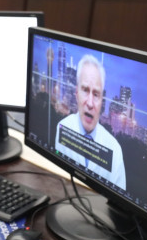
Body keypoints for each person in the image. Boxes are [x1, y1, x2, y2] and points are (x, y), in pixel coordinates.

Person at [54, 55, 126, 191]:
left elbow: (120, 203)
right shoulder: (63, 128)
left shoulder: (115, 150)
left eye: (96, 94)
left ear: (102, 101)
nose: (90, 103)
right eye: (85, 90)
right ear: (76, 93)